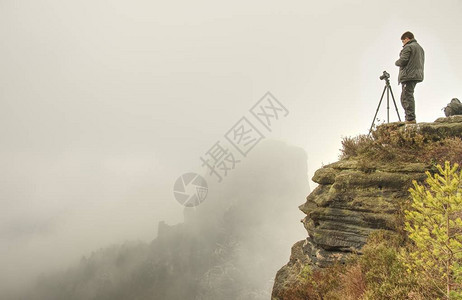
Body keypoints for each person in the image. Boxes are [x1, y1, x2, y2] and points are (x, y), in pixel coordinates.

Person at [395, 31, 425, 124]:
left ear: (407, 39)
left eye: (403, 41)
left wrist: (397, 62)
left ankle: (410, 118)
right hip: (416, 75)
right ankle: (410, 117)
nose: (403, 44)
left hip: (408, 75)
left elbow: (403, 60)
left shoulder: (408, 47)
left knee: (406, 97)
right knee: (407, 95)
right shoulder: (420, 48)